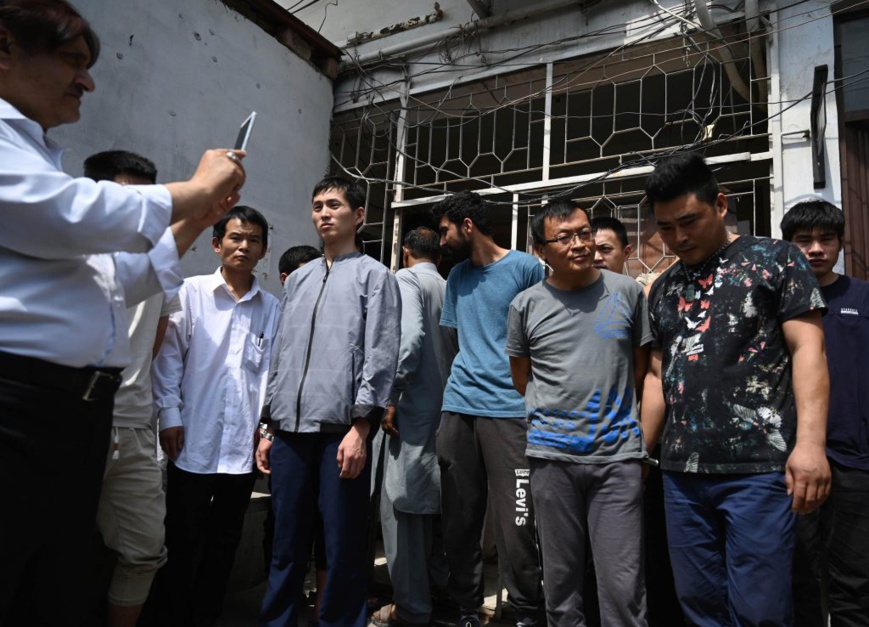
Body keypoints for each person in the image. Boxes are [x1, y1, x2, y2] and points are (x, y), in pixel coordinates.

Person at [0, 2, 245, 624]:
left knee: (51, 573)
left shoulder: (35, 152)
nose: (87, 81)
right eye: (72, 62)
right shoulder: (23, 163)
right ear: (4, 47)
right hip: (19, 403)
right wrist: (195, 187)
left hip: (77, 411)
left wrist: (195, 216)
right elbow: (68, 212)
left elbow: (116, 284)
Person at [641, 152, 831, 625]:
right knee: (699, 607)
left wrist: (810, 444)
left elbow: (809, 349)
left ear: (721, 205)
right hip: (681, 474)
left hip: (759, 470)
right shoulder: (663, 287)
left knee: (760, 610)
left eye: (688, 221)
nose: (678, 237)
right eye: (666, 227)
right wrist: (641, 455)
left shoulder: (775, 259)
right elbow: (656, 375)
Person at [256, 176, 401, 627]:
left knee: (341, 546)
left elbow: (380, 355)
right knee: (286, 542)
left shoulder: (375, 276)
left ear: (357, 215)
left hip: (341, 431)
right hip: (289, 434)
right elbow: (281, 352)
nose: (323, 213)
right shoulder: (298, 279)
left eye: (334, 205)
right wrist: (269, 426)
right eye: (317, 205)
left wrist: (362, 428)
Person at [507, 200, 650, 627]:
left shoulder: (626, 292)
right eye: (565, 237)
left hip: (617, 458)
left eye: (584, 233)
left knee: (624, 588)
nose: (579, 244)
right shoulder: (525, 305)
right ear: (541, 250)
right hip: (552, 460)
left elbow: (640, 370)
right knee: (562, 586)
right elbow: (522, 378)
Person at [152, 206, 280, 627]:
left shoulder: (271, 309)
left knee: (225, 540)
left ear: (263, 250)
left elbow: (272, 376)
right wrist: (169, 414)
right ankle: (170, 615)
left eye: (253, 240)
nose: (244, 246)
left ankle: (206, 615)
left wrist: (266, 431)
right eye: (236, 238)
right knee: (181, 537)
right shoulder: (190, 294)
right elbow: (169, 359)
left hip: (242, 446)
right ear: (217, 243)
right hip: (192, 437)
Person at [432, 190, 545, 627]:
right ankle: (465, 608)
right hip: (459, 407)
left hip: (511, 410)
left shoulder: (524, 267)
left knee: (518, 520)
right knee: (460, 519)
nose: (440, 241)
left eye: (444, 230)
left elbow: (541, 337)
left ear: (467, 226)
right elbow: (455, 339)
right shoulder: (457, 276)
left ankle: (524, 609)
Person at [83, 150, 181, 627]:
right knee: (46, 543)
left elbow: (154, 342)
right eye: (126, 196)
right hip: (74, 419)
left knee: (144, 550)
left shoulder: (160, 258)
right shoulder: (68, 247)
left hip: (136, 427)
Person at [591, 214, 684, 627]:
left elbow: (650, 376)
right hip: (586, 447)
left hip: (639, 446)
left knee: (648, 553)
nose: (594, 257)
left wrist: (643, 450)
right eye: (588, 248)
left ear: (626, 253)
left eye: (604, 249)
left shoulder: (642, 298)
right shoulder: (572, 301)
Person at [781, 199, 869, 627]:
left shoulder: (862, 298)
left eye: (825, 239)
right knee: (799, 577)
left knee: (854, 582)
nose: (815, 249)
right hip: (793, 460)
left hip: (855, 460)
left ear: (840, 242)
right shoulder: (777, 304)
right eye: (804, 241)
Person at [373, 227, 457, 627]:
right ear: (439, 256)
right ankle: (436, 600)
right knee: (431, 515)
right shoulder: (447, 286)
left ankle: (411, 609)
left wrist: (391, 394)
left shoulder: (404, 279)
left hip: (408, 415)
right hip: (444, 414)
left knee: (402, 514)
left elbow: (407, 341)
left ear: (405, 251)